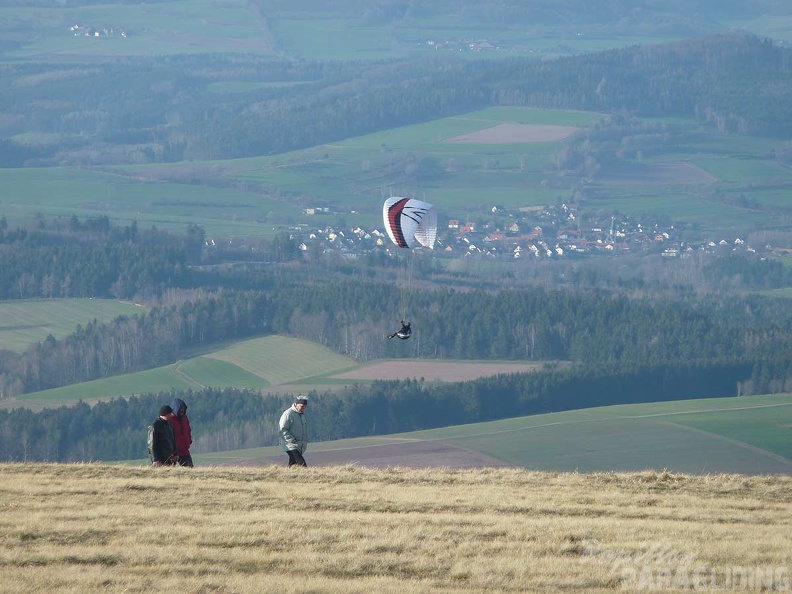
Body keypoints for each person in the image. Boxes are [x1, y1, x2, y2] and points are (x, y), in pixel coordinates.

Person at [279, 395, 309, 467]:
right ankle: (308, 476)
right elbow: (282, 430)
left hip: (298, 445)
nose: (303, 408)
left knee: (293, 465)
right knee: (302, 465)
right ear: (296, 404)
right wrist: (291, 440)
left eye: (305, 407)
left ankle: (288, 476)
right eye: (302, 406)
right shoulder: (288, 414)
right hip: (290, 445)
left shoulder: (301, 415)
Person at [169, 397, 193, 467]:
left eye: (183, 408)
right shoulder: (170, 420)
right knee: (170, 472)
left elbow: (188, 430)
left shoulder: (185, 418)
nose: (182, 410)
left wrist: (189, 441)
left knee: (190, 471)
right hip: (172, 452)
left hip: (185, 451)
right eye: (180, 408)